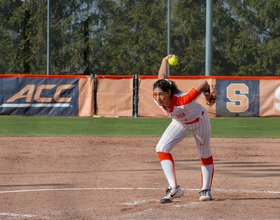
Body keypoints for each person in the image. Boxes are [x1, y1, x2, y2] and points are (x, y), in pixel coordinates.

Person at [153, 54, 218, 203]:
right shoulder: (158, 98)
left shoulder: (183, 101)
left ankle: (206, 190)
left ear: (169, 93)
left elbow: (203, 83)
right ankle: (174, 188)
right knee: (161, 148)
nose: (157, 98)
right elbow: (161, 77)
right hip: (180, 122)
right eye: (156, 94)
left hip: (199, 120)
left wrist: (208, 96)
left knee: (204, 152)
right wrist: (164, 60)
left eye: (161, 94)